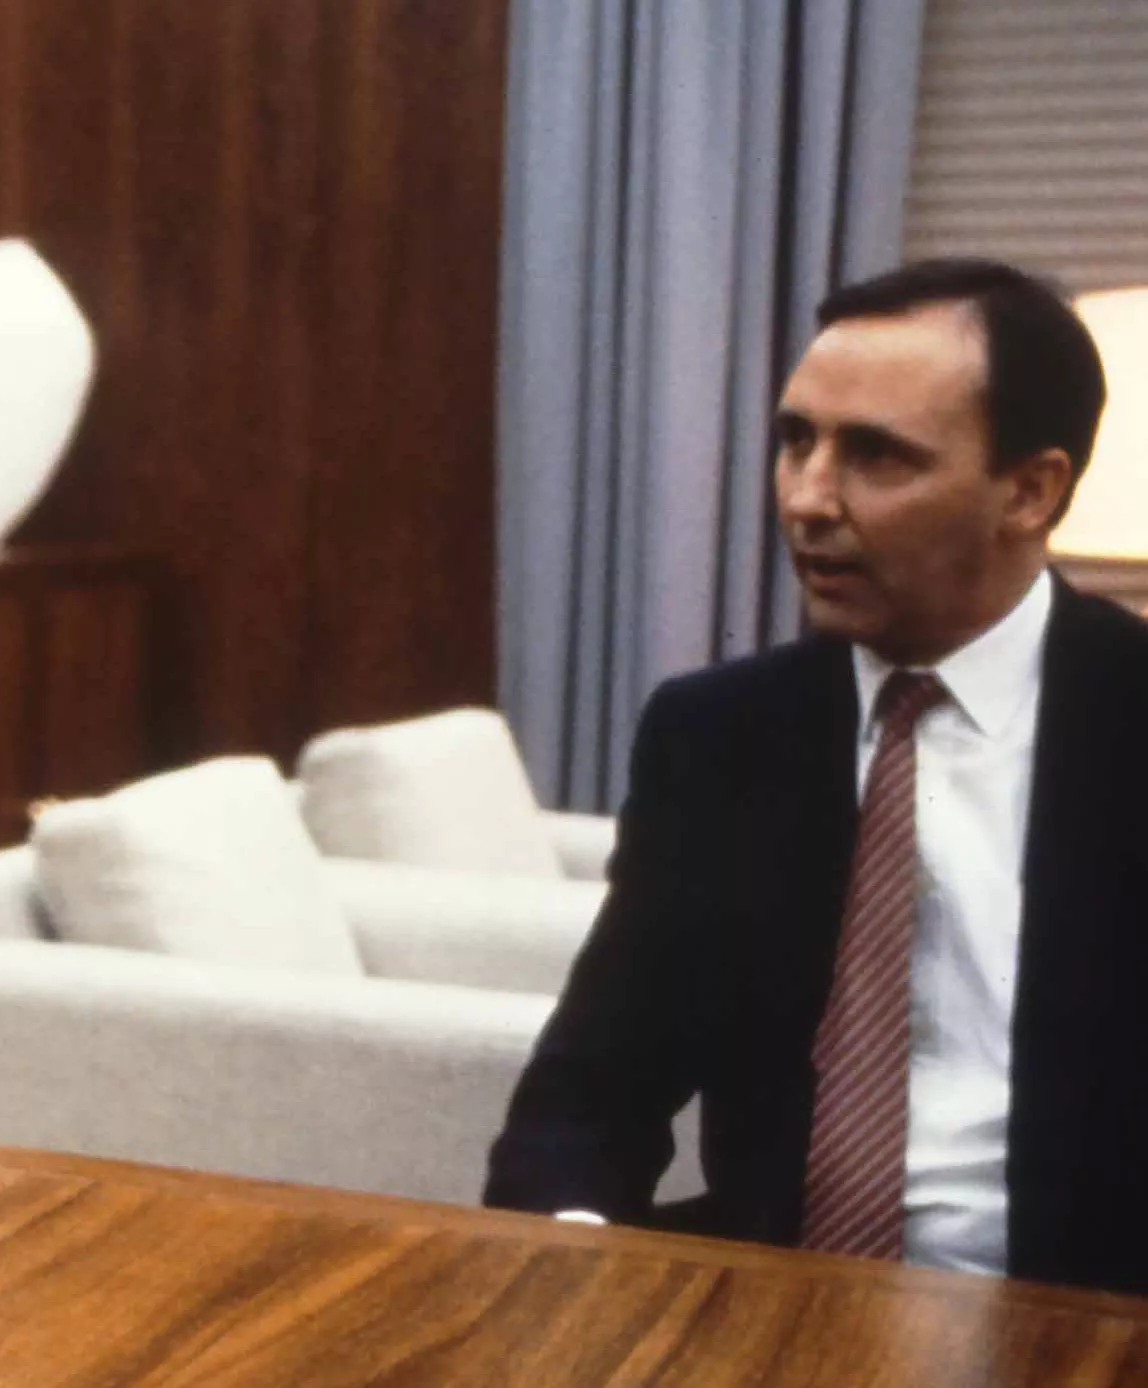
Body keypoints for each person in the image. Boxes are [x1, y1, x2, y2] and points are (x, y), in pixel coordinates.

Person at [484, 257, 1148, 1296]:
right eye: (796, 440)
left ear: (1029, 490)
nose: (806, 498)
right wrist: (570, 1264)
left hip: (1080, 1318)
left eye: (875, 455)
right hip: (769, 1302)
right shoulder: (718, 732)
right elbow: (592, 1088)